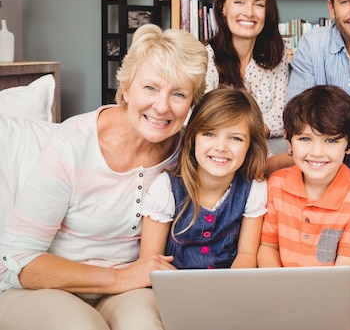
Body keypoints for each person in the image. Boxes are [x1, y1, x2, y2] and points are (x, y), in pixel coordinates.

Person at [0, 24, 208, 330]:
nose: (162, 106)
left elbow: (249, 164)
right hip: (42, 288)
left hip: (125, 292)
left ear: (191, 103)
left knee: (144, 325)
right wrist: (121, 276)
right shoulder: (73, 143)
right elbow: (19, 257)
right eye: (150, 88)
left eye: (178, 94)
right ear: (125, 87)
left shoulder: (190, 149)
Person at [258, 85, 350, 330]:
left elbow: (348, 264)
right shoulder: (276, 185)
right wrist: (282, 294)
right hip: (279, 293)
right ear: (289, 141)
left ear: (349, 144)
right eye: (305, 139)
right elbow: (267, 247)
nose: (317, 152)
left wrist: (337, 305)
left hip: (329, 298)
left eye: (331, 140)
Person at [140, 87, 268, 270]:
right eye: (209, 134)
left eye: (236, 138)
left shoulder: (253, 188)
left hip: (229, 288)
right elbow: (150, 263)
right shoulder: (166, 188)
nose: (221, 147)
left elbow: (246, 255)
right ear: (193, 138)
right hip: (175, 289)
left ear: (250, 146)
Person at [206, 0, 288, 139]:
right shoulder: (205, 57)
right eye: (239, 2)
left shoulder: (277, 55)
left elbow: (283, 117)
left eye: (259, 4)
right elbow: (206, 119)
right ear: (223, 8)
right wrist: (256, 130)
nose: (249, 12)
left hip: (266, 155)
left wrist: (242, 134)